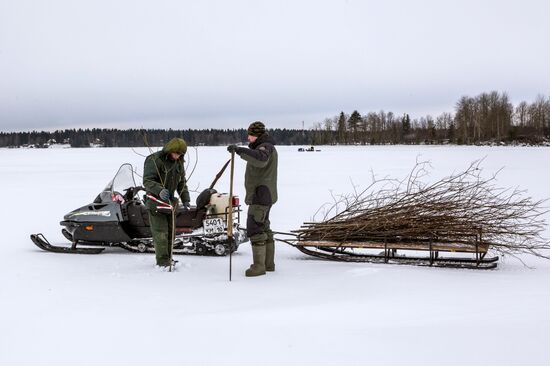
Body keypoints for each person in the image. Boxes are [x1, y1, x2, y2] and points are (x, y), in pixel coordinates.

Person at [228, 121, 278, 277]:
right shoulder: (266, 146)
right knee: (264, 227)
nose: (248, 138)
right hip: (265, 194)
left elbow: (260, 159)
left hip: (261, 195)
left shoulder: (265, 148)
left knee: (255, 228)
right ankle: (268, 264)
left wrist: (239, 151)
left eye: (249, 135)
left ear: (256, 135)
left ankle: (259, 267)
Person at [143, 137, 190, 268]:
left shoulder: (179, 163)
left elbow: (182, 182)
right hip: (155, 202)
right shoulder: (154, 160)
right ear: (169, 150)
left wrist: (185, 198)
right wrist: (159, 190)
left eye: (180, 154)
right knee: (160, 233)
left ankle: (169, 258)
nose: (177, 156)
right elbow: (147, 181)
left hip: (170, 203)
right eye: (176, 153)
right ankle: (163, 261)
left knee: (171, 233)